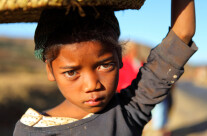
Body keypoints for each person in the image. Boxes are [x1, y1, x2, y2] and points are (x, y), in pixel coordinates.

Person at [13, 0, 197, 135]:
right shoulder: (31, 131)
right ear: (50, 70)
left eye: (105, 65)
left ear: (119, 59)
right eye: (71, 72)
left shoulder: (129, 109)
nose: (92, 85)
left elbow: (182, 34)